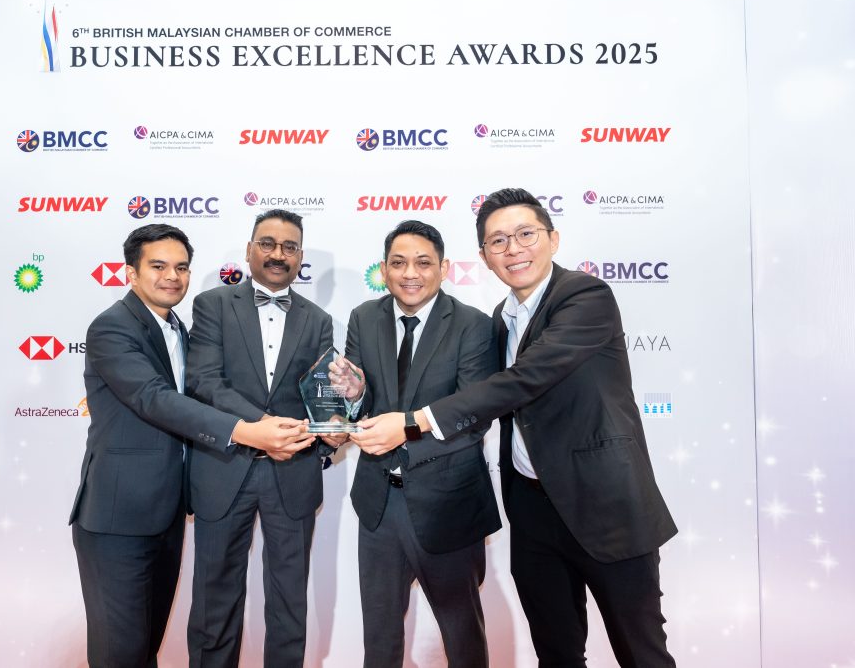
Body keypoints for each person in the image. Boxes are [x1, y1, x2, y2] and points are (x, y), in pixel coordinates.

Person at [357, 189, 678, 667]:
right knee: (556, 652)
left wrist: (413, 421)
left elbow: (525, 379)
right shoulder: (501, 320)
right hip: (532, 509)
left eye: (525, 234)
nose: (513, 249)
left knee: (641, 652)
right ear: (485, 256)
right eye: (498, 241)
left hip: (604, 503)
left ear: (553, 239)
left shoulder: (584, 296)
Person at [69, 224, 310, 668]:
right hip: (118, 516)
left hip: (167, 512)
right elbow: (153, 399)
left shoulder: (177, 328)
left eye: (181, 268)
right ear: (130, 273)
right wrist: (247, 430)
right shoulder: (112, 327)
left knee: (145, 647)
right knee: (119, 653)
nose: (172, 277)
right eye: (158, 266)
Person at [330, 220, 501, 667]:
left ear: (443, 268)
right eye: (399, 263)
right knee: (379, 639)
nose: (410, 273)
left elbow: (475, 416)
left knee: (462, 636)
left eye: (423, 263)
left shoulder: (473, 325)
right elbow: (360, 403)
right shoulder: (364, 317)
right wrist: (353, 397)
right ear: (384, 269)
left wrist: (403, 433)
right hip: (378, 502)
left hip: (449, 503)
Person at [185, 209, 339, 668]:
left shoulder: (319, 319)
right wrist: (263, 426)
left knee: (290, 603)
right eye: (267, 244)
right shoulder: (212, 304)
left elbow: (321, 393)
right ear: (250, 250)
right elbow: (204, 381)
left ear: (300, 257)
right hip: (224, 468)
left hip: (292, 471)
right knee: (214, 601)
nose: (278, 254)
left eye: (289, 247)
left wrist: (335, 423)